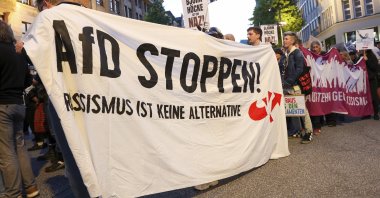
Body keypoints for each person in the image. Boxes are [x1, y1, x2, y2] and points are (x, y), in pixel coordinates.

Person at [20, 0, 91, 197]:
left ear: (46, 4)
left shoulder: (49, 18)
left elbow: (30, 54)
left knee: (72, 153)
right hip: (92, 96)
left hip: (64, 96)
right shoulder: (86, 16)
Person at [0, 20, 39, 198]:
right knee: (20, 147)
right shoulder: (18, 53)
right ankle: (31, 187)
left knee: (6, 153)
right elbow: (27, 82)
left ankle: (13, 193)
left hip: (2, 106)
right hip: (18, 104)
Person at [281, 31, 313, 144]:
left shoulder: (297, 53)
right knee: (292, 109)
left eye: (287, 39)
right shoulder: (285, 54)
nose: (284, 40)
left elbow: (300, 69)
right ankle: (297, 130)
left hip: (295, 86)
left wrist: (288, 81)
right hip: (286, 86)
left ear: (293, 41)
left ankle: (309, 132)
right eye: (284, 38)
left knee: (302, 109)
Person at [363, 49, 379, 120]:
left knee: (374, 97)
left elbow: (375, 68)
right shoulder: (362, 56)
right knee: (365, 97)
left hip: (372, 80)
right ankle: (367, 113)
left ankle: (376, 113)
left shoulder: (372, 56)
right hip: (364, 80)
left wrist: (367, 60)